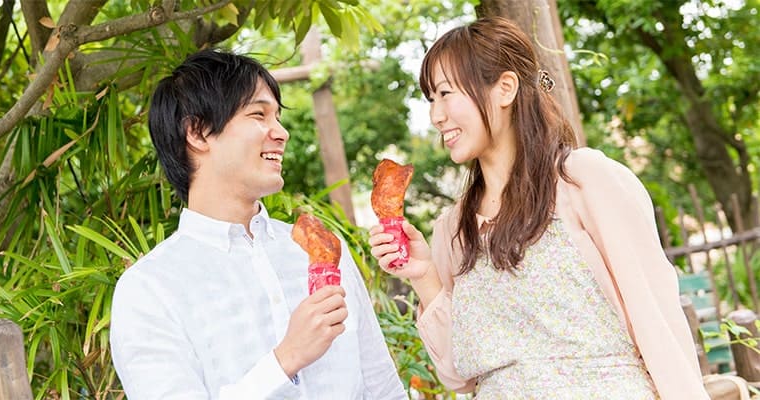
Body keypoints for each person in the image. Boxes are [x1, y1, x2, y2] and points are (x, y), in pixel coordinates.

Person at [369, 17, 708, 399]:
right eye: (431, 99)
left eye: (446, 93)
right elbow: (458, 375)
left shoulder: (584, 180)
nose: (436, 115)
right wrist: (424, 275)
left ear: (505, 88)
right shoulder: (453, 228)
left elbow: (658, 324)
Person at [110, 49, 406, 400]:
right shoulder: (149, 289)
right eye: (258, 114)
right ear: (198, 132)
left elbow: (383, 388)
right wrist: (286, 359)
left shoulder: (322, 250)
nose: (281, 133)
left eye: (278, 117)